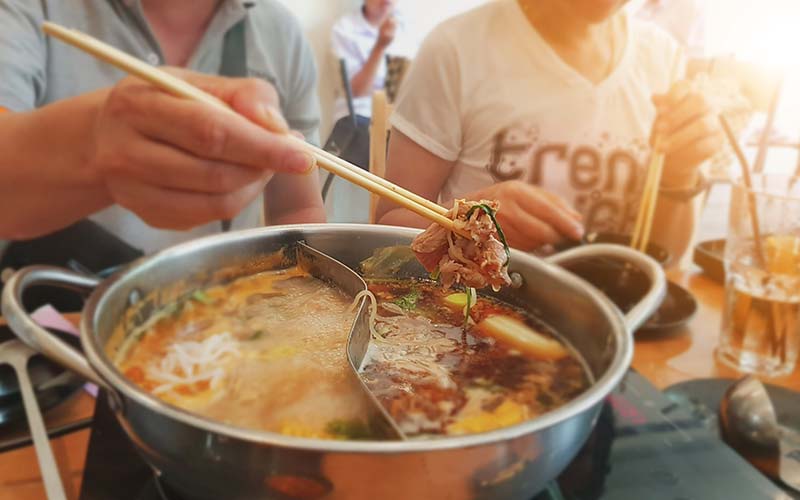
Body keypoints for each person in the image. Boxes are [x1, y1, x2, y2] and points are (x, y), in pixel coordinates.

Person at [376, 0, 724, 260]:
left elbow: (667, 259)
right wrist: (469, 222)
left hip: (627, 324)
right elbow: (384, 236)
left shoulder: (662, 58)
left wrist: (679, 175)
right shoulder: (455, 49)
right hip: (487, 320)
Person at [0, 0, 324, 255]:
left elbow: (296, 209)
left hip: (218, 317)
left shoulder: (281, 33)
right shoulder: (31, 9)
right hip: (48, 308)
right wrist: (94, 143)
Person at [330, 0, 417, 121]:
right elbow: (356, 92)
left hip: (398, 121)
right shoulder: (345, 29)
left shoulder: (407, 27)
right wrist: (380, 46)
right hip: (360, 119)